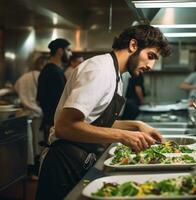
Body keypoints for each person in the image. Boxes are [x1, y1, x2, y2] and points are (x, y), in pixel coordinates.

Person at [36, 24, 170, 200]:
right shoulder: (100, 70)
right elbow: (65, 126)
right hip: (63, 164)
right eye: (150, 56)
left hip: (80, 159)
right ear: (133, 46)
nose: (151, 65)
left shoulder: (116, 75)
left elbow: (94, 122)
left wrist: (137, 126)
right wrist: (122, 136)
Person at [14, 55, 48, 178]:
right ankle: (34, 171)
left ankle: (27, 171)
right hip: (37, 113)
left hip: (25, 114)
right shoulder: (41, 76)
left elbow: (16, 89)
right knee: (37, 144)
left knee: (29, 145)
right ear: (42, 65)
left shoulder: (24, 77)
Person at [37, 38, 72, 143]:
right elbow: (58, 101)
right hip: (54, 125)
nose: (71, 53)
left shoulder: (51, 70)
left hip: (53, 123)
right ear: (60, 51)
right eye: (68, 50)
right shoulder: (53, 72)